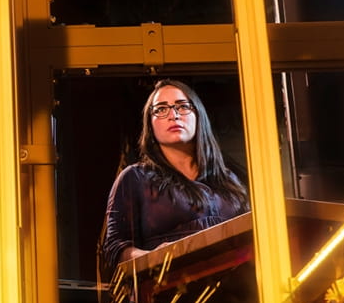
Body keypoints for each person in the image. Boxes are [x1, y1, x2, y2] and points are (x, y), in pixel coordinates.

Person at [100, 79, 250, 276]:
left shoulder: (231, 181)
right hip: (167, 294)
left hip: (236, 294)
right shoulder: (135, 178)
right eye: (161, 109)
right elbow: (114, 249)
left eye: (182, 106)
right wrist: (155, 258)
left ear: (198, 115)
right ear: (149, 124)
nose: (174, 115)